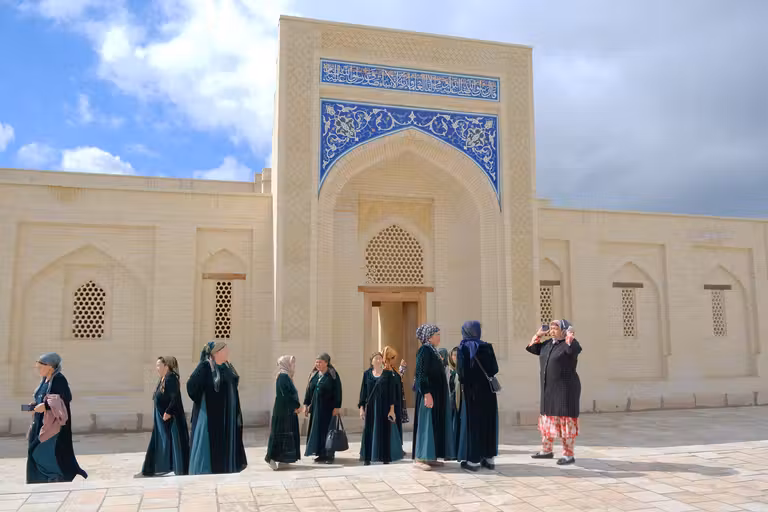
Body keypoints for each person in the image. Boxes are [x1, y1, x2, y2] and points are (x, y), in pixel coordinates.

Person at [527, 319, 582, 465]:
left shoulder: (569, 344)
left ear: (564, 330)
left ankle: (568, 455)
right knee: (547, 419)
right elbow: (532, 348)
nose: (552, 330)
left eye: (555, 328)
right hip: (548, 390)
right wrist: (538, 334)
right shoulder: (547, 345)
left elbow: (574, 350)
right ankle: (546, 450)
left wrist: (570, 336)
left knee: (565, 422)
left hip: (565, 390)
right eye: (551, 328)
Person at [26, 353, 88, 483]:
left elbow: (63, 399)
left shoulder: (59, 379)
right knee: (37, 449)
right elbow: (41, 398)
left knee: (39, 450)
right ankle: (44, 479)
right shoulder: (45, 380)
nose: (38, 369)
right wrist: (34, 406)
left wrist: (46, 406)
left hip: (53, 425)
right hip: (40, 422)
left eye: (40, 366)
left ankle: (55, 476)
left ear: (49, 367)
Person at [187, 341, 247, 474]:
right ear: (217, 353)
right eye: (225, 350)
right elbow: (191, 385)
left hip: (227, 415)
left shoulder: (226, 367)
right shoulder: (205, 367)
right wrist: (202, 401)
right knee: (210, 444)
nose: (228, 352)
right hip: (211, 414)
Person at [412, 324, 456, 470]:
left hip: (436, 395)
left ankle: (431, 456)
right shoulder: (424, 351)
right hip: (429, 394)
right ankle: (420, 458)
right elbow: (420, 374)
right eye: (437, 334)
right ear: (429, 337)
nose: (439, 337)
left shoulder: (433, 351)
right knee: (426, 424)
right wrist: (426, 393)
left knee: (435, 424)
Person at [457, 321, 499, 471]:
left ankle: (473, 461)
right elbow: (494, 369)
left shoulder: (463, 348)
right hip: (488, 393)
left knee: (473, 425)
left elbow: (461, 374)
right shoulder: (487, 347)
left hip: (472, 393)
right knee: (488, 423)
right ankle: (489, 459)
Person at [139, 356, 189, 477]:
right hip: (161, 417)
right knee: (161, 441)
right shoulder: (163, 378)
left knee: (171, 441)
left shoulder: (171, 379)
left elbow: (175, 397)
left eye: (158, 365)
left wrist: (169, 412)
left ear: (166, 366)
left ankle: (175, 467)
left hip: (169, 417)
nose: (157, 368)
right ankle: (158, 466)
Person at [358, 350, 403, 465]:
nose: (378, 360)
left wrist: (392, 410)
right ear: (371, 361)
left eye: (380, 358)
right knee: (369, 431)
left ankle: (385, 457)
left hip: (384, 407)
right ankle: (368, 457)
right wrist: (361, 408)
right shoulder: (367, 374)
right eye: (376, 358)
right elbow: (363, 393)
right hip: (371, 407)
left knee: (385, 432)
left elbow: (392, 394)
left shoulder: (388, 374)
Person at [303, 353, 342, 464]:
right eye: (316, 362)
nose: (317, 364)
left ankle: (329, 455)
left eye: (320, 362)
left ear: (326, 363)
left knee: (328, 431)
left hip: (328, 409)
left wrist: (337, 406)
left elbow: (338, 391)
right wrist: (306, 404)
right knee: (317, 431)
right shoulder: (314, 374)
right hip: (316, 409)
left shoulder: (332, 375)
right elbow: (308, 390)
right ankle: (320, 453)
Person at [265, 355, 302, 471]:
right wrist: (296, 406)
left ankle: (284, 459)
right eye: (292, 363)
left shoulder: (286, 376)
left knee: (287, 435)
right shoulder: (283, 377)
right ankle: (271, 458)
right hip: (283, 412)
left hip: (288, 411)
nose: (294, 366)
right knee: (279, 434)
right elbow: (285, 395)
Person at [447, 347, 461, 454]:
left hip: (459, 401)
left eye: (456, 355)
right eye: (453, 355)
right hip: (451, 401)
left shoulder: (461, 371)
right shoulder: (450, 370)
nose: (454, 357)